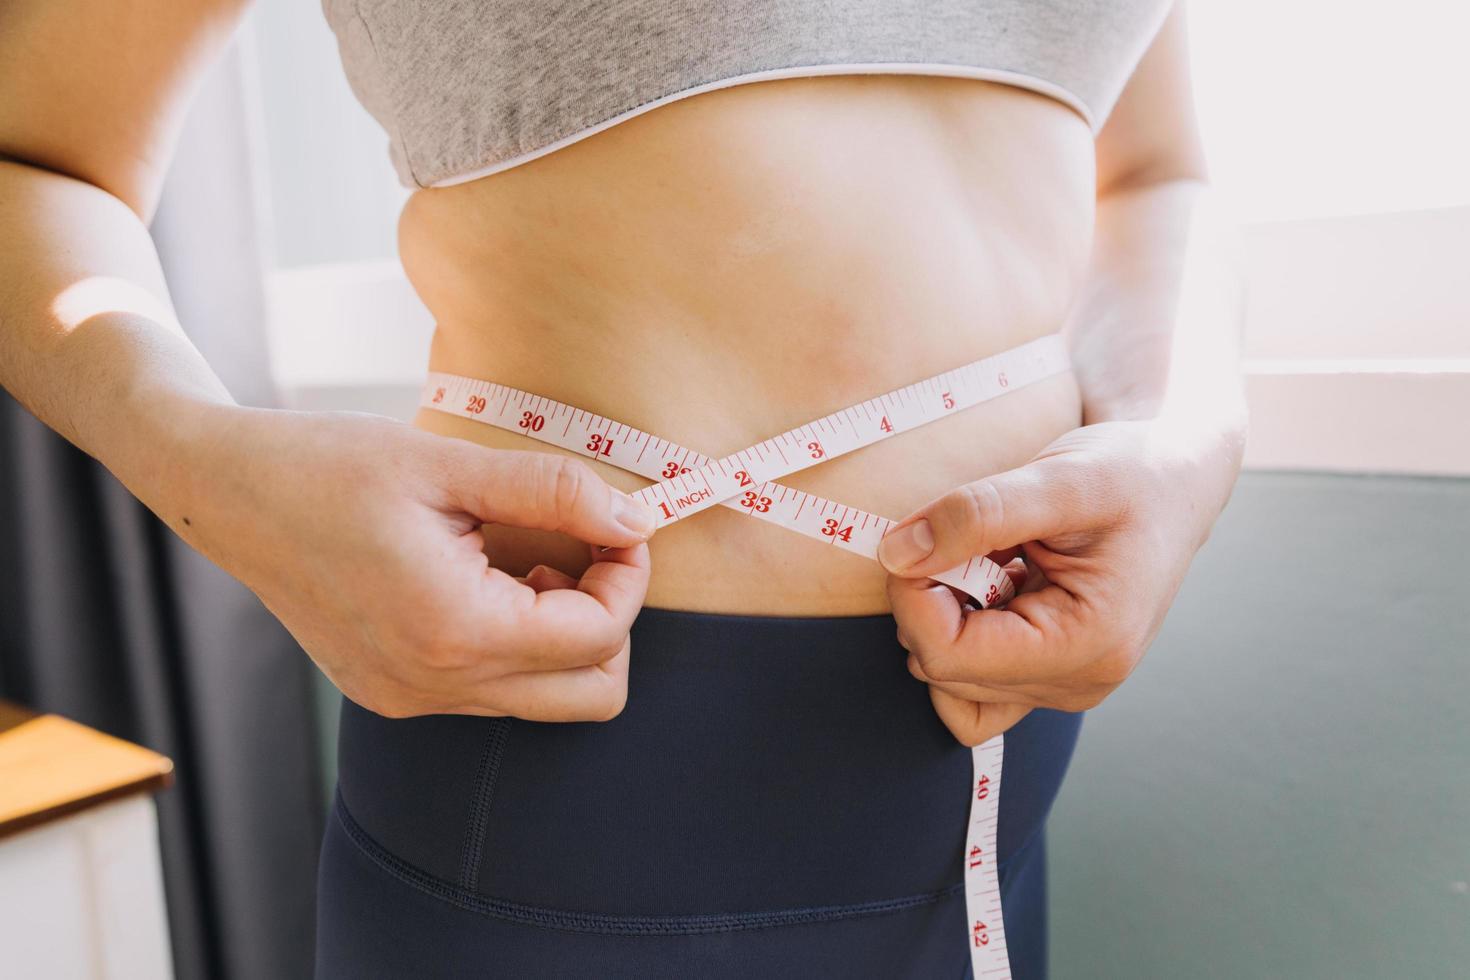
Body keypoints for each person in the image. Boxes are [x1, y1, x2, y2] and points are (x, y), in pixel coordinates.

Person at [0, 0, 1247, 976]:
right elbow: (34, 162)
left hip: (987, 765)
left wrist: (1184, 437)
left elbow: (1150, 177)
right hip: (571, 775)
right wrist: (211, 463)